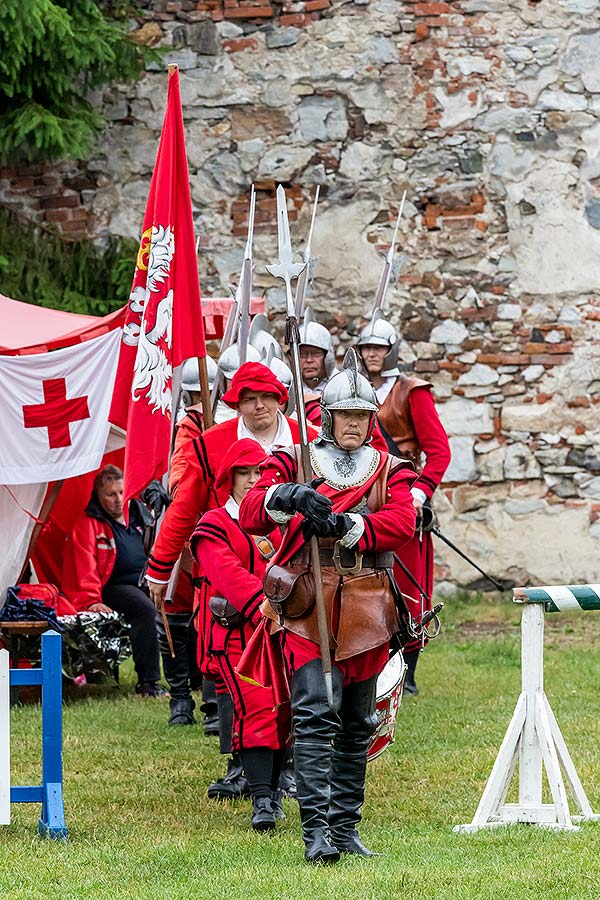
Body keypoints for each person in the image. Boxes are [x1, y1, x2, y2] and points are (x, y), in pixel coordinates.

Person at [239, 352, 416, 863]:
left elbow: (403, 520)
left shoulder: (390, 469)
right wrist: (289, 494)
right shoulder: (293, 458)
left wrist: (351, 526)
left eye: (364, 416)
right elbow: (252, 510)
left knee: (358, 721)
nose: (356, 425)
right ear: (328, 417)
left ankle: (346, 828)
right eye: (347, 416)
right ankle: (315, 832)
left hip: (366, 604)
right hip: (308, 602)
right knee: (316, 713)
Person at [146, 362, 317, 797]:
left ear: (281, 397)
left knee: (296, 670)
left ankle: (293, 765)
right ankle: (242, 765)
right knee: (231, 673)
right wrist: (161, 567)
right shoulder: (214, 443)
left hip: (296, 572)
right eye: (247, 400)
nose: (258, 407)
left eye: (266, 397)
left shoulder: (308, 442)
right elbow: (185, 507)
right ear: (235, 403)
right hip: (226, 568)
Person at [191, 439, 290, 832]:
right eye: (244, 473)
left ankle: (275, 791)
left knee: (285, 710)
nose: (253, 481)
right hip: (237, 635)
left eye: (259, 474)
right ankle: (261, 798)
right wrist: (264, 606)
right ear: (229, 479)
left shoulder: (281, 525)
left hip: (283, 630)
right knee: (258, 707)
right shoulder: (213, 524)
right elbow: (228, 574)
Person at [357, 310, 451, 695]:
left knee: (408, 587)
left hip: (403, 498)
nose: (372, 354)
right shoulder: (354, 389)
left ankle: (407, 671)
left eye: (379, 348)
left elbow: (439, 452)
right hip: (362, 498)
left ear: (392, 350)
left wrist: (417, 494)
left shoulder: (412, 391)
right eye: (366, 348)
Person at [62, 465, 165, 698]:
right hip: (113, 587)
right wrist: (90, 601)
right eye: (111, 494)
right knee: (144, 608)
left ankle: (195, 679)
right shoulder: (88, 525)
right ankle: (148, 683)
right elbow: (82, 566)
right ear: (98, 497)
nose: (118, 499)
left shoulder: (141, 517)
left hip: (146, 581)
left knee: (180, 603)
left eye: (122, 492)